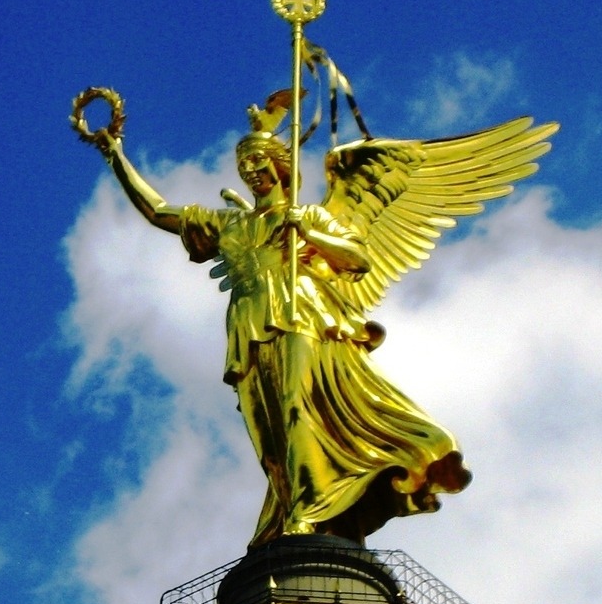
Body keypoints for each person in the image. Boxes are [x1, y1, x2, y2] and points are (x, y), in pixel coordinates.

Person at [94, 94, 470, 545]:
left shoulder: (308, 214)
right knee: (269, 436)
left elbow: (357, 259)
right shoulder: (229, 225)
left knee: (298, 403)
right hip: (248, 322)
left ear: (278, 164)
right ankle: (294, 504)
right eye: (243, 163)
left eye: (257, 158)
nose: (250, 169)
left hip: (300, 310)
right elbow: (158, 211)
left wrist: (308, 231)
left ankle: (309, 512)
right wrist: (115, 155)